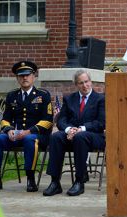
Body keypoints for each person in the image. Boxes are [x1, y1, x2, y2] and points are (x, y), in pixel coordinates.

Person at [43, 69, 105, 197]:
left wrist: (81, 129)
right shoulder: (69, 99)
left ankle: (79, 181)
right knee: (56, 137)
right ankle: (55, 182)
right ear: (76, 85)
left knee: (80, 137)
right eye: (81, 83)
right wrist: (69, 129)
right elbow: (61, 120)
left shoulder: (100, 99)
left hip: (94, 136)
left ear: (91, 81)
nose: (84, 85)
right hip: (72, 134)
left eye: (86, 81)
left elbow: (101, 123)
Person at [0, 61, 53, 192]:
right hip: (16, 135)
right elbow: (5, 119)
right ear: (17, 78)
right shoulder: (12, 95)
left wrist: (29, 131)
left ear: (34, 76)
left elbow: (48, 121)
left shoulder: (43, 95)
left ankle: (30, 178)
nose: (24, 78)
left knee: (29, 139)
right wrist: (9, 130)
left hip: (38, 135)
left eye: (27, 75)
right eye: (21, 76)